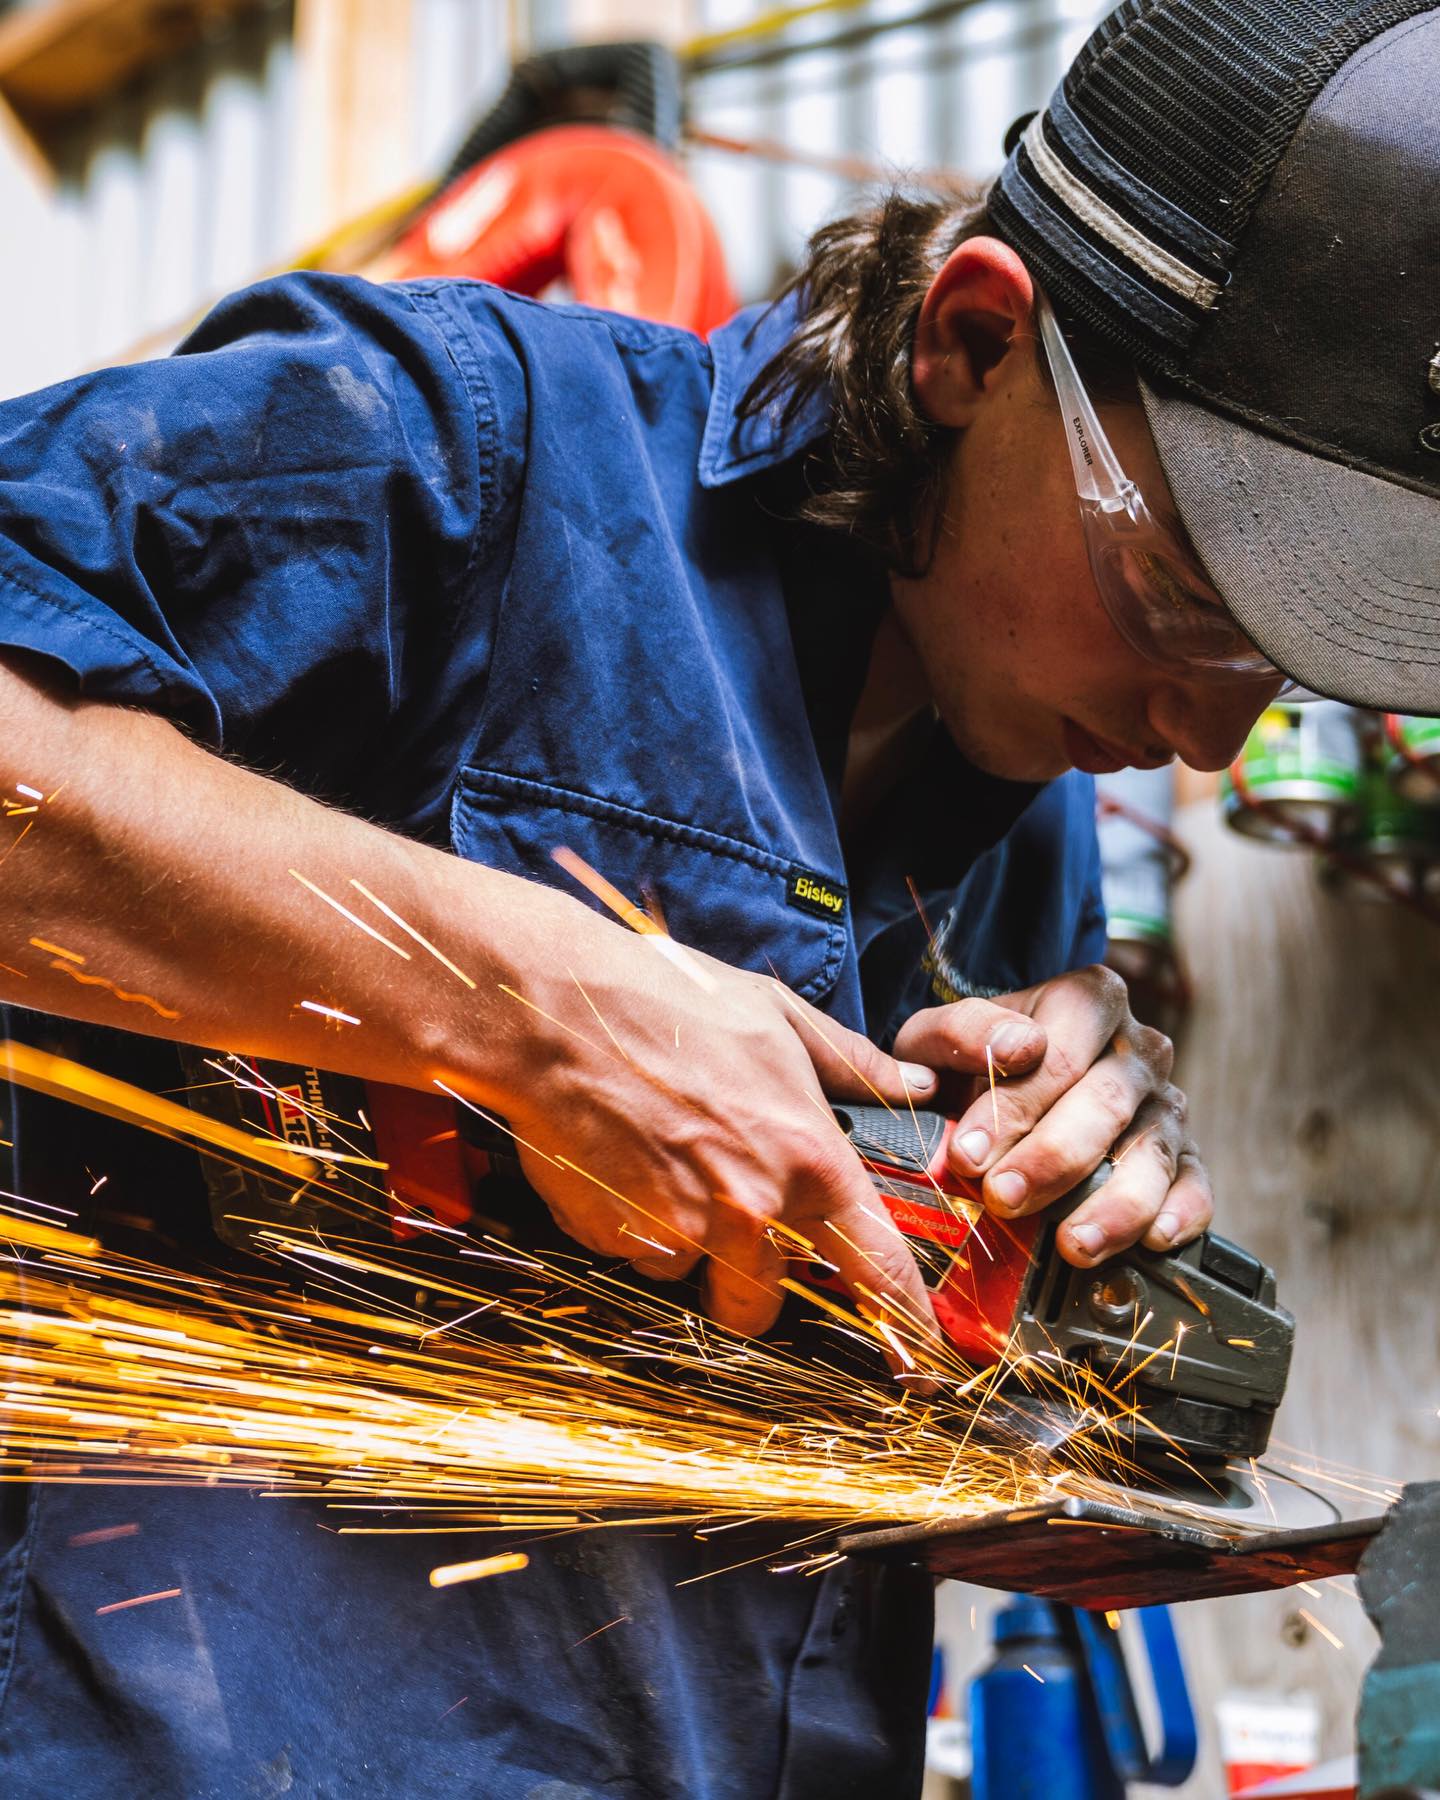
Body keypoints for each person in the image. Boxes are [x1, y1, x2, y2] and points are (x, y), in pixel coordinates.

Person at [0, 0, 1434, 1792]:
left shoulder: (1031, 817)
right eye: (1186, 607)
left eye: (1277, 674)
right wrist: (516, 1002)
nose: (1208, 743)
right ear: (973, 345)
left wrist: (1058, 1323)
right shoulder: (464, 446)